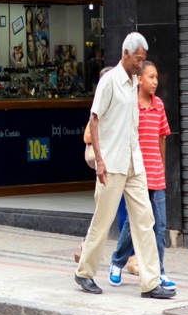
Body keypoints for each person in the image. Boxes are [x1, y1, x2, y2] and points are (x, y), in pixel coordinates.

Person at [75, 32, 175, 299]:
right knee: (104, 220)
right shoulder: (109, 81)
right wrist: (100, 161)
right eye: (138, 59)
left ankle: (151, 281)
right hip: (112, 163)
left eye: (143, 60)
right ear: (127, 54)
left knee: (145, 220)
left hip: (135, 163)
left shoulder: (133, 83)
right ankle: (85, 272)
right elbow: (94, 120)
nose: (140, 65)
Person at [108, 61, 175, 290]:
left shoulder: (159, 106)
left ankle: (159, 271)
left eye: (157, 77)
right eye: (151, 77)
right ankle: (117, 262)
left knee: (160, 225)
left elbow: (162, 137)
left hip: (156, 174)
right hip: (136, 173)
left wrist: (162, 167)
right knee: (133, 224)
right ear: (139, 79)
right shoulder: (131, 105)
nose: (155, 82)